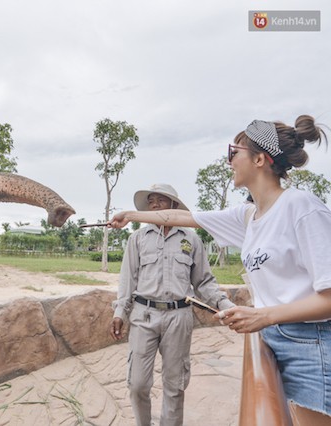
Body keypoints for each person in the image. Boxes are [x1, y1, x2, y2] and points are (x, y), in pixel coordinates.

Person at [109, 116, 331, 423]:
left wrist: (263, 315)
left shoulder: (303, 207)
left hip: (309, 340)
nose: (228, 160)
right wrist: (131, 215)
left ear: (259, 159)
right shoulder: (249, 215)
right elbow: (184, 217)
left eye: (233, 152)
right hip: (273, 336)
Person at [110, 183, 235, 426]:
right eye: (151, 201)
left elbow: (204, 282)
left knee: (175, 385)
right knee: (137, 384)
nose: (155, 205)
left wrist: (225, 304)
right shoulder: (137, 239)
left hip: (178, 318)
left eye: (161, 200)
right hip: (143, 316)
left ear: (174, 206)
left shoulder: (191, 239)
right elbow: (127, 280)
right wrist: (119, 313)